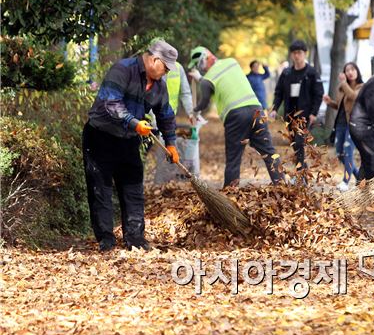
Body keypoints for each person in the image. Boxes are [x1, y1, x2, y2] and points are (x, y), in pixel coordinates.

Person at [83, 40, 180, 252]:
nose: (165, 73)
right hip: (100, 136)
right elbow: (111, 103)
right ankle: (106, 239)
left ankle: (135, 238)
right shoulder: (122, 69)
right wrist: (135, 123)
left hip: (128, 140)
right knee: (101, 189)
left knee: (133, 188)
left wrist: (171, 143)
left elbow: (166, 115)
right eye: (165, 67)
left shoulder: (159, 86)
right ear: (155, 60)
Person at [187, 46, 283, 188]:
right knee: (269, 152)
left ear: (208, 58)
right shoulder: (232, 62)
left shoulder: (208, 80)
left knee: (233, 159)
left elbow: (204, 102)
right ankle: (283, 186)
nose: (201, 68)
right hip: (257, 111)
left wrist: (194, 113)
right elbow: (225, 81)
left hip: (236, 117)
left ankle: (229, 198)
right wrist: (201, 79)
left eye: (200, 64)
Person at [271, 40, 324, 172]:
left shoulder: (311, 73)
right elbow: (279, 92)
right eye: (294, 53)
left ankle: (301, 173)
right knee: (295, 143)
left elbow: (319, 94)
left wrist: (314, 113)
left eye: (299, 53)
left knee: (300, 142)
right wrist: (274, 108)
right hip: (290, 114)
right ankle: (303, 172)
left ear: (305, 54)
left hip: (305, 115)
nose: (296, 56)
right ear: (291, 55)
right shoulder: (287, 73)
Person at [150, 40, 195, 184]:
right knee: (145, 152)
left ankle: (164, 183)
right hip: (147, 119)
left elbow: (185, 93)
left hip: (167, 118)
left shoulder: (178, 68)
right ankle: (144, 183)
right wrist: (151, 120)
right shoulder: (150, 69)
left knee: (168, 151)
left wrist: (190, 112)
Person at [323, 62, 364, 191]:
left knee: (348, 152)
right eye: (347, 70)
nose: (350, 72)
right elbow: (341, 106)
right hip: (340, 124)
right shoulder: (342, 88)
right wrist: (330, 103)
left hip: (353, 124)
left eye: (352, 69)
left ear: (357, 71)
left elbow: (354, 96)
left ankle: (346, 181)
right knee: (340, 152)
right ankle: (359, 178)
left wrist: (343, 83)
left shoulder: (361, 86)